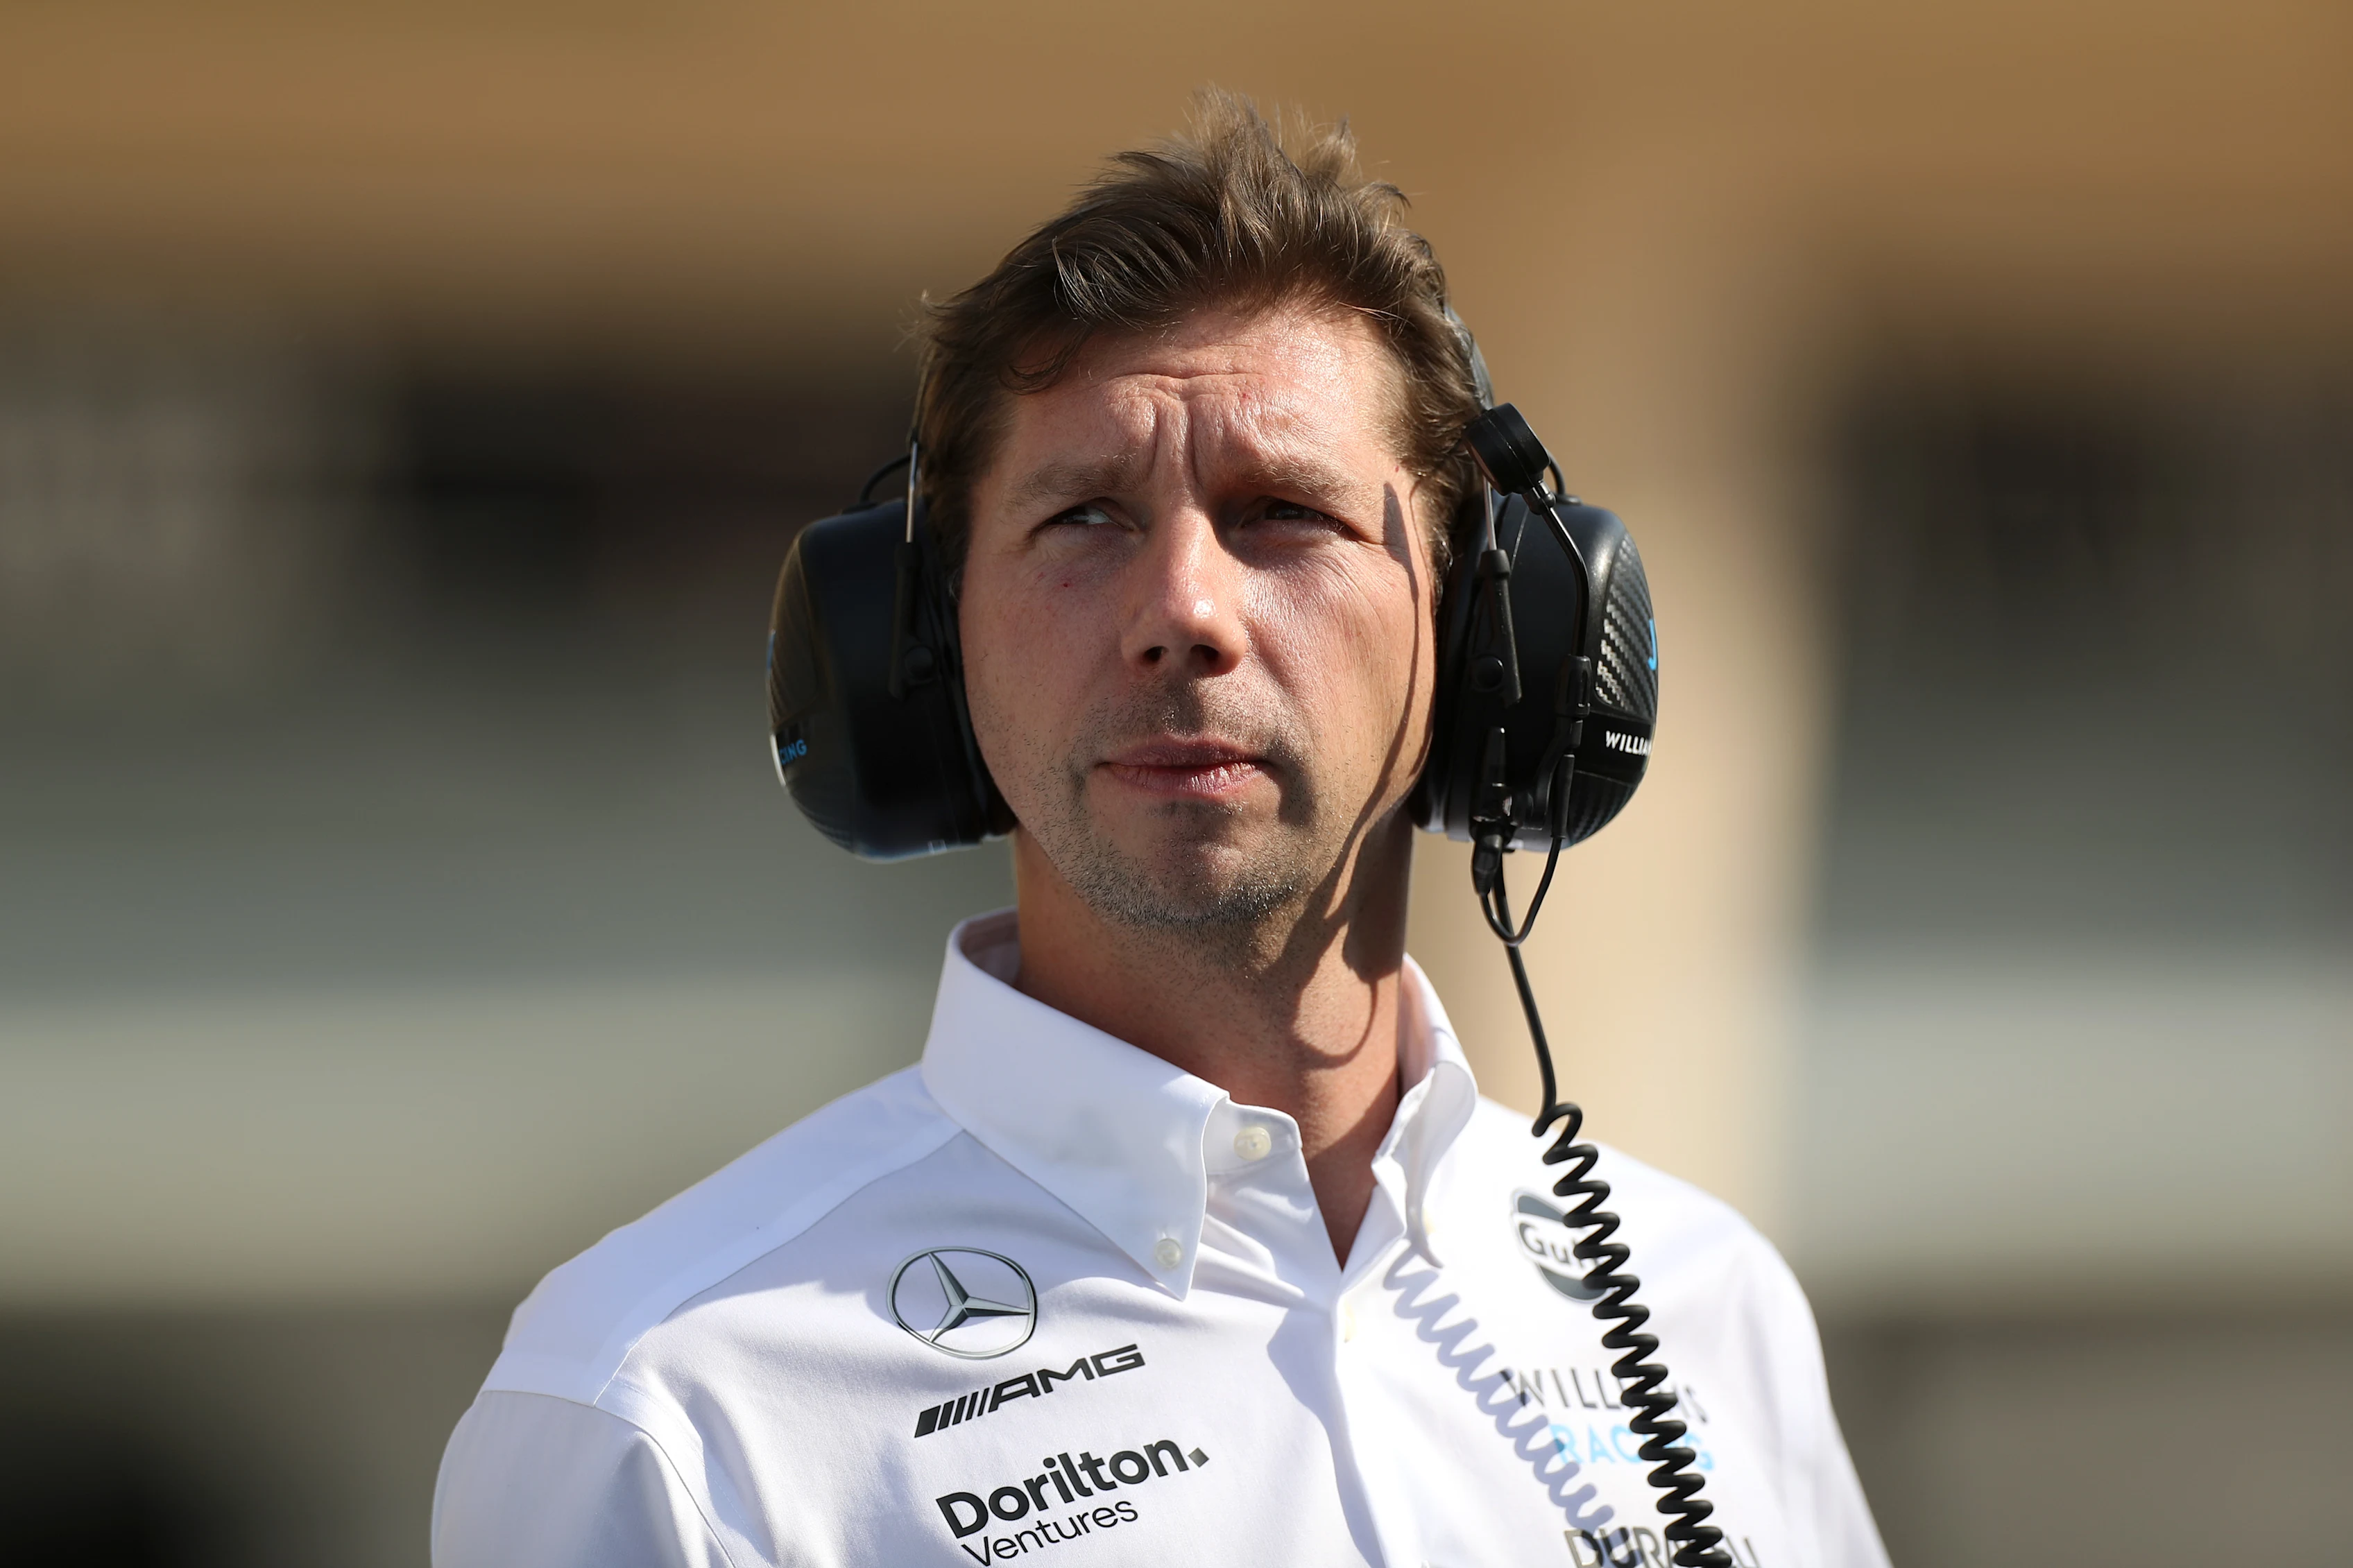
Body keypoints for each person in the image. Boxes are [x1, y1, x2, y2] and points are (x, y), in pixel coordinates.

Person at [431, 94, 1888, 1568]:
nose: (1184, 612)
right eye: (1084, 519)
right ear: (927, 645)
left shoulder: (1708, 1313)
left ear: (1481, 631)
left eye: (1282, 513)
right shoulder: (667, 1404)